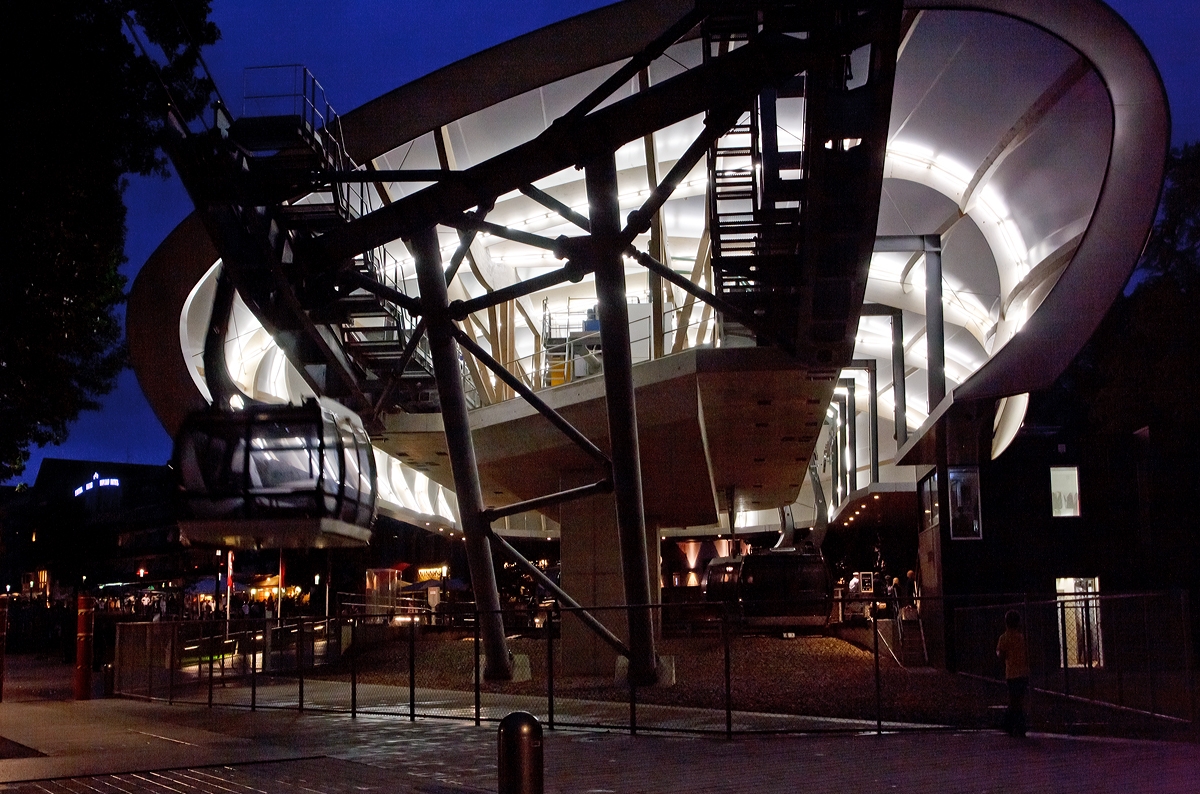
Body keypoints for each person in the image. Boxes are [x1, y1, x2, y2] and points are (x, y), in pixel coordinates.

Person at [996, 609, 1030, 737]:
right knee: (1018, 700)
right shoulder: (1021, 637)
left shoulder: (1004, 638)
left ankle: (1011, 725)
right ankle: (1015, 725)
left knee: (1014, 701)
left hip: (1011, 673)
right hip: (1023, 673)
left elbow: (1001, 654)